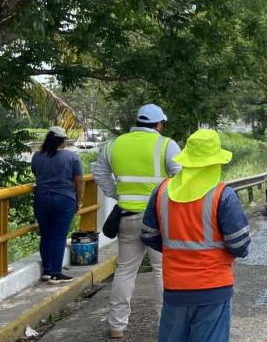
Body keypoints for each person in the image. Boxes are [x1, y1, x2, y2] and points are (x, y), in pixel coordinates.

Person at [141, 129, 250, 342]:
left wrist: (175, 253)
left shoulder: (161, 191)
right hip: (213, 289)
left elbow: (148, 234)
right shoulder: (223, 195)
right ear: (215, 162)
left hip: (175, 288)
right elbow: (240, 245)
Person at [92, 104, 182, 339]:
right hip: (159, 219)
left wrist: (116, 194)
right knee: (162, 271)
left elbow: (99, 173)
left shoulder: (114, 145)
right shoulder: (166, 144)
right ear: (159, 124)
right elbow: (180, 174)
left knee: (125, 271)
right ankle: (166, 323)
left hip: (126, 216)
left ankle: (117, 326)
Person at [31, 126, 83, 284]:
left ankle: (47, 271)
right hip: (64, 199)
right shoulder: (71, 157)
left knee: (46, 234)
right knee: (59, 236)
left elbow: (36, 174)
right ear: (63, 141)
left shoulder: (37, 156)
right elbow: (79, 180)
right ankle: (56, 274)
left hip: (41, 199)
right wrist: (79, 200)